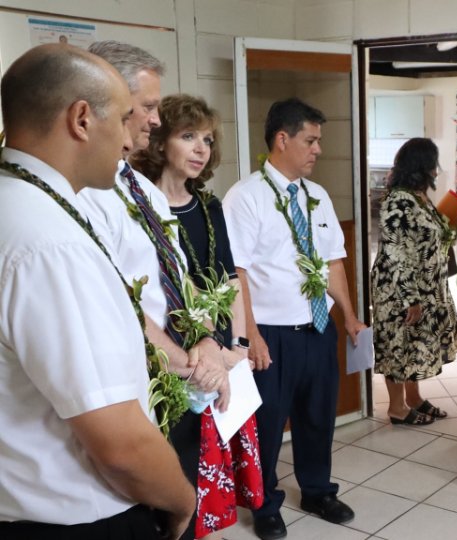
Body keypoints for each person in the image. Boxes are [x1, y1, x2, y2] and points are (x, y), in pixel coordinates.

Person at [0, 44, 195, 539]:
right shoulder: (51, 244)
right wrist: (180, 500)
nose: (133, 139)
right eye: (129, 115)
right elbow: (120, 446)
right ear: (82, 119)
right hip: (73, 516)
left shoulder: (20, 202)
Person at [75, 41, 245, 540]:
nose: (154, 120)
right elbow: (117, 301)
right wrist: (192, 361)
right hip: (145, 384)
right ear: (108, 104)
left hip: (183, 381)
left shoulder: (141, 190)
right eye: (147, 107)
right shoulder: (85, 194)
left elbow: (184, 280)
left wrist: (212, 342)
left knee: (185, 507)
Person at [223, 98, 366, 540]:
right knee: (267, 425)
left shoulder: (317, 196)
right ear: (282, 140)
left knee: (318, 416)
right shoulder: (245, 198)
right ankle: (264, 503)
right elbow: (238, 273)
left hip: (319, 328)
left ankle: (318, 490)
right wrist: (252, 336)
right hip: (274, 335)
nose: (317, 149)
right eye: (311, 140)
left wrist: (350, 317)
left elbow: (334, 264)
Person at [130, 93, 264, 540]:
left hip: (215, 354)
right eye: (188, 136)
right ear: (160, 139)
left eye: (206, 139)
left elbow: (229, 280)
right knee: (165, 473)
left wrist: (236, 350)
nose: (201, 148)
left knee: (201, 465)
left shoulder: (209, 208)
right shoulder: (138, 205)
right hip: (164, 357)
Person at [372, 138, 457, 425]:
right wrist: (410, 299)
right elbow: (397, 253)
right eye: (433, 164)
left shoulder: (418, 196)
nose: (437, 170)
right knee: (398, 345)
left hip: (425, 287)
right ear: (421, 165)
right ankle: (396, 408)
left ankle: (413, 399)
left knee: (414, 346)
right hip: (400, 289)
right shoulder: (398, 200)